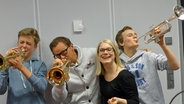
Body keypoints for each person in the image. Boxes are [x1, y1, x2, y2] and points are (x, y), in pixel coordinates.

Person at [115, 26, 180, 104]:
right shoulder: (118, 63)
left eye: (135, 34)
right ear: (121, 42)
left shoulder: (148, 56)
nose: (135, 36)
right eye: (130, 35)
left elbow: (175, 66)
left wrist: (162, 44)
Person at [0, 28, 48, 104]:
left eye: (28, 43)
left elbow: (42, 87)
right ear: (17, 44)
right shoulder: (9, 65)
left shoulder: (39, 65)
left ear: (35, 46)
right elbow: (1, 90)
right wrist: (5, 67)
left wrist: (21, 67)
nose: (24, 46)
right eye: (21, 42)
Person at [49, 36, 100, 104]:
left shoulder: (92, 54)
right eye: (58, 56)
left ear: (71, 46)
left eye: (64, 52)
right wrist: (59, 84)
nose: (62, 57)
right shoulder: (57, 70)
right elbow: (58, 99)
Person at [96, 39, 139, 104]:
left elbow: (135, 102)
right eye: (102, 50)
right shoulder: (101, 76)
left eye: (109, 49)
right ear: (98, 55)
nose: (105, 52)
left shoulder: (125, 76)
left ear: (115, 53)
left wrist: (120, 101)